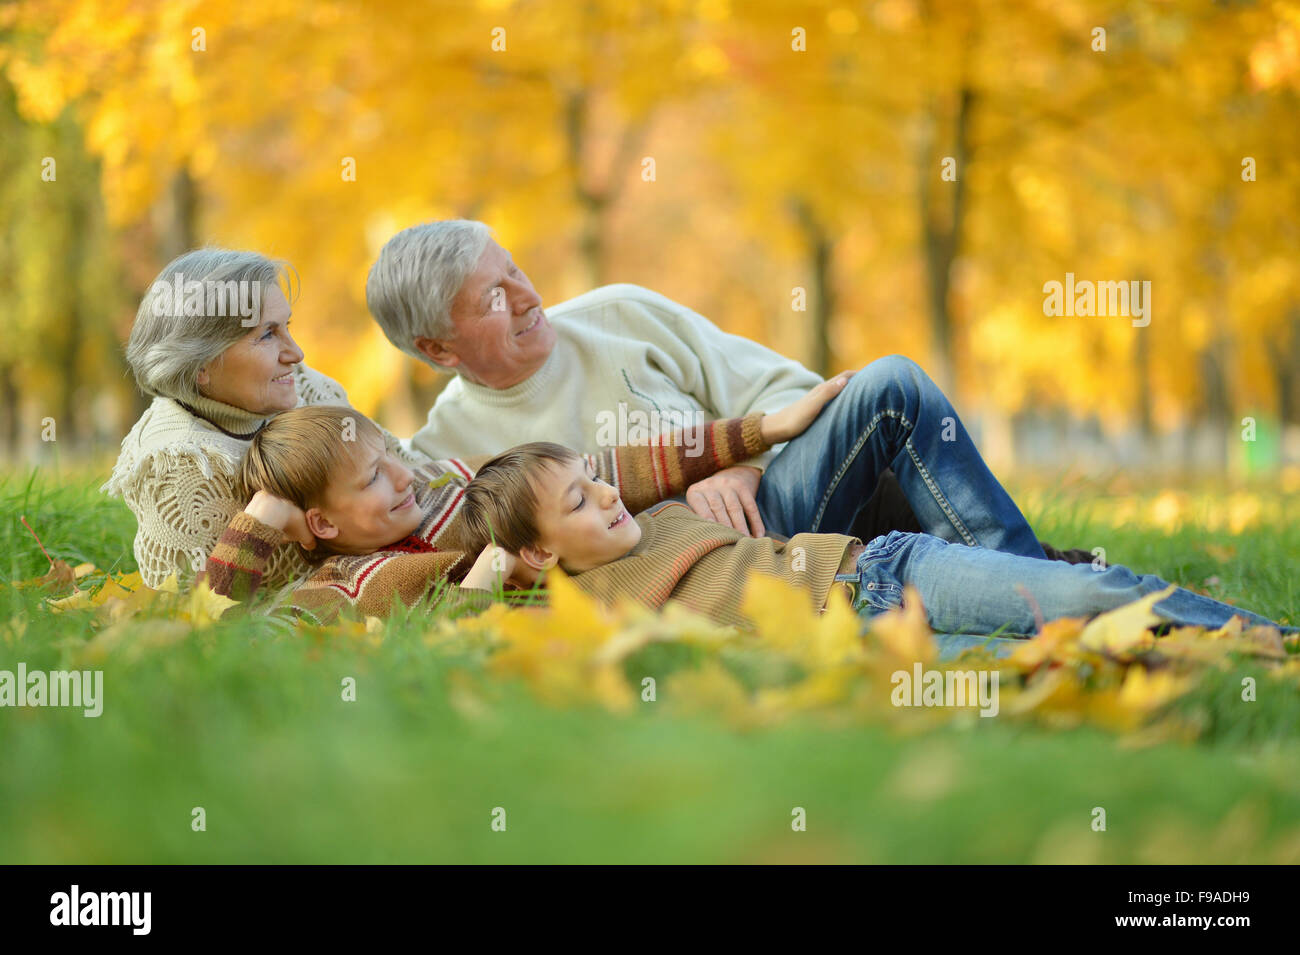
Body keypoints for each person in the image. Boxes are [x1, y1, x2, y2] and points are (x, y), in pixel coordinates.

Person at [365, 219, 1091, 562]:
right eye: (493, 297)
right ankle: (1045, 579)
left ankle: (1024, 573)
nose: (528, 296)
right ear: (437, 348)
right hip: (695, 572)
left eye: (516, 268)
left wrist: (739, 464)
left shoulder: (621, 313)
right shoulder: (443, 455)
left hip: (776, 504)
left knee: (890, 384)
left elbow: (797, 392)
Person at [455, 440, 1293, 642]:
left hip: (888, 571)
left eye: (597, 478)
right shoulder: (579, 607)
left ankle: (1277, 644)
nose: (607, 492)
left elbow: (692, 442)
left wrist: (745, 462)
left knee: (1086, 598)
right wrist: (497, 565)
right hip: (870, 650)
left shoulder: (664, 511)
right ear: (538, 554)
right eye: (579, 498)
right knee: (1082, 651)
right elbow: (465, 614)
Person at [196, 378, 850, 623]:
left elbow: (613, 467)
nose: (402, 479)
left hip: (665, 569)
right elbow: (217, 623)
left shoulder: (450, 485)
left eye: (391, 458)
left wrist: (764, 430)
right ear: (319, 521)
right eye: (372, 480)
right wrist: (261, 517)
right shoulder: (338, 589)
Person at [103, 248, 425, 592]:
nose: (296, 354)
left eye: (286, 326)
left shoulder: (300, 387)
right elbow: (196, 621)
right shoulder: (176, 467)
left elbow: (413, 475)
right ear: (201, 366)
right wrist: (260, 523)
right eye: (267, 334)